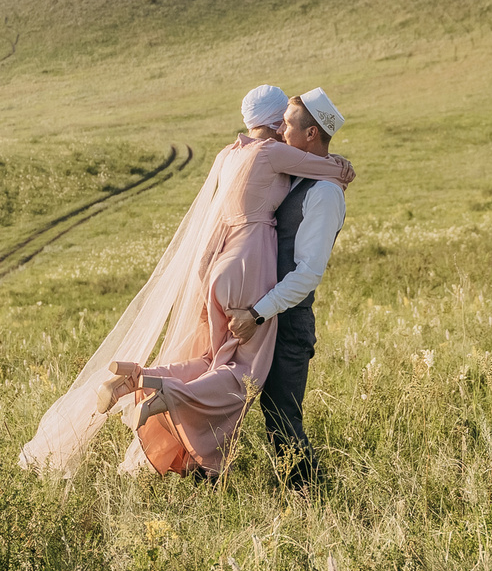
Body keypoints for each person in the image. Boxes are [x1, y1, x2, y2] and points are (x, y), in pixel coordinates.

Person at [17, 84, 352, 477]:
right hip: (250, 271)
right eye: (281, 125)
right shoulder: (280, 158)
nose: (283, 132)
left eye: (288, 126)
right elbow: (310, 262)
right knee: (247, 378)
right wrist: (342, 167)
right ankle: (173, 398)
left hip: (217, 264)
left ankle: (137, 380)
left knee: (212, 361)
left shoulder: (233, 153)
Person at [224, 88, 346, 485]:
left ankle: (311, 499)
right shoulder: (294, 173)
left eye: (288, 124)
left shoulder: (325, 193)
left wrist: (257, 312)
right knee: (243, 404)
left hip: (286, 320)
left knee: (282, 416)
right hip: (263, 313)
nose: (279, 131)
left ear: (311, 134)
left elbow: (309, 273)